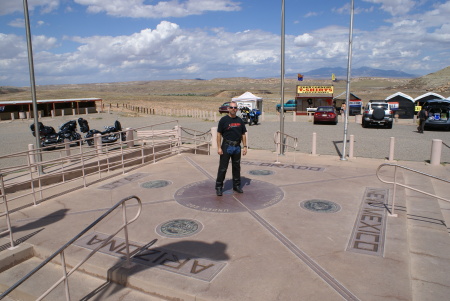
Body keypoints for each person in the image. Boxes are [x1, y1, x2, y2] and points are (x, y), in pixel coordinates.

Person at [215, 101, 247, 196]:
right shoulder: (223, 120)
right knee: (223, 168)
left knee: (236, 167)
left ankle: (236, 186)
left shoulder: (240, 120)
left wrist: (245, 146)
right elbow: (219, 134)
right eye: (232, 107)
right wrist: (219, 147)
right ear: (228, 109)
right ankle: (219, 187)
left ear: (237, 109)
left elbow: (243, 134)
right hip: (226, 146)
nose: (233, 109)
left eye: (235, 108)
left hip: (237, 146)